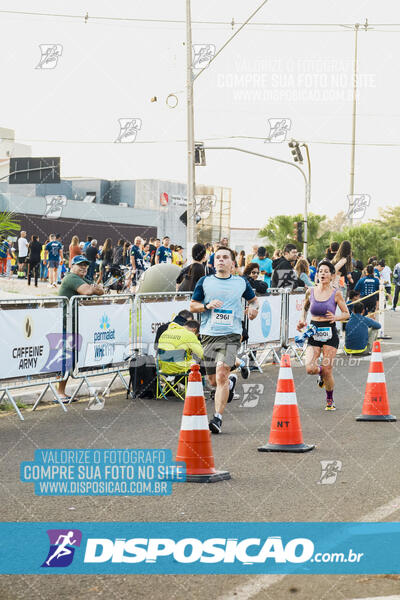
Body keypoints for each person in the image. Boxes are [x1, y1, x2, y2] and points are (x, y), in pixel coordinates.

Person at [190, 246, 259, 434]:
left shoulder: (241, 282)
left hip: (232, 334)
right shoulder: (205, 281)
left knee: (221, 372)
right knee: (213, 381)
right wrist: (206, 305)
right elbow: (193, 306)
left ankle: (217, 419)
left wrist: (254, 310)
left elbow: (254, 301)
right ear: (213, 262)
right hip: (209, 334)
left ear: (232, 263)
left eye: (225, 257)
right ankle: (230, 383)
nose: (220, 260)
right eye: (217, 257)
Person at [297, 260, 349, 411]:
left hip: (329, 332)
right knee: (310, 369)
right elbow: (305, 308)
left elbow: (346, 313)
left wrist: (336, 318)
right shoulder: (310, 291)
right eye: (320, 271)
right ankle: (320, 374)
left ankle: (330, 399)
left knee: (328, 369)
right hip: (314, 330)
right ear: (317, 274)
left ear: (332, 275)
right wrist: (302, 320)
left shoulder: (336, 293)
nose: (323, 274)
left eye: (326, 271)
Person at [57, 255, 104, 400]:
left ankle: (61, 391)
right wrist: (93, 288)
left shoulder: (82, 279)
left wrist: (94, 288)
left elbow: (101, 291)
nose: (84, 267)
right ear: (72, 266)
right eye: (80, 265)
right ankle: (59, 392)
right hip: (67, 324)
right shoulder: (71, 278)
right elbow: (88, 291)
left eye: (85, 265)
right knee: (66, 358)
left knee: (71, 358)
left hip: (77, 324)